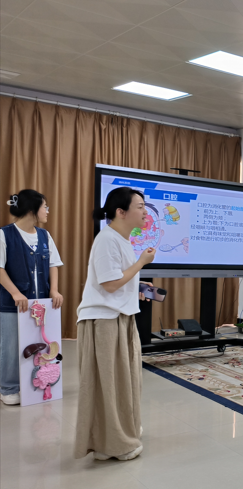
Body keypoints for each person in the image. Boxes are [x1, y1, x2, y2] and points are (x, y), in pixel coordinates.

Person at [75, 187, 155, 461]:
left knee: (121, 382)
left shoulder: (121, 239)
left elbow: (116, 279)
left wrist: (137, 285)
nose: (145, 212)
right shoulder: (107, 239)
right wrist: (141, 263)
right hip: (104, 321)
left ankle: (116, 437)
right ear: (121, 212)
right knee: (109, 386)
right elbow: (109, 284)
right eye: (140, 206)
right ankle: (112, 444)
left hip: (119, 318)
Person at [0, 190, 63, 406]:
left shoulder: (45, 236)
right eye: (45, 206)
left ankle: (34, 384)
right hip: (12, 304)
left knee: (38, 345)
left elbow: (54, 264)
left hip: (41, 304)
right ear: (31, 209)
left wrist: (54, 290)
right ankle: (8, 388)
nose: (47, 211)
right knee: (10, 347)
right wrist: (15, 292)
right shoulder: (4, 234)